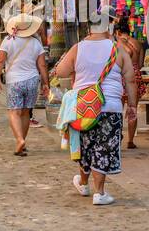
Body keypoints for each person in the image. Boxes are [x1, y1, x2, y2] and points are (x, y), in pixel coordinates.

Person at [54, 13, 137, 205]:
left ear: (89, 28)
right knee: (103, 147)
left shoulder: (78, 48)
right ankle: (98, 192)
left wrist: (78, 68)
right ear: (107, 28)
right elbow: (130, 79)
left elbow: (61, 72)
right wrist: (132, 106)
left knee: (85, 145)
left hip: (84, 105)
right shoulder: (118, 49)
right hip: (110, 106)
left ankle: (84, 183)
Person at [0, 12, 48, 156]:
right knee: (26, 112)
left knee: (14, 111)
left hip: (15, 81)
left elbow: (0, 61)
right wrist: (45, 83)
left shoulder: (8, 40)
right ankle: (22, 141)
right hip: (32, 80)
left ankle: (19, 140)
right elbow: (42, 65)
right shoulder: (36, 43)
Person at [114, 17, 144, 149]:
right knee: (133, 109)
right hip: (136, 76)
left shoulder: (118, 44)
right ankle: (130, 141)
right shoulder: (137, 43)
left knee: (117, 110)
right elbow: (141, 64)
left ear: (118, 32)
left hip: (122, 77)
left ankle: (117, 138)